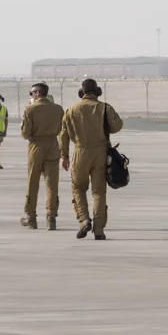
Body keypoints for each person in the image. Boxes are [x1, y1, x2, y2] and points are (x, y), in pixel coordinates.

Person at [60, 79, 123, 240]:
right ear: (97, 91)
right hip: (100, 152)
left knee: (78, 187)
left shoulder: (71, 110)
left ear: (82, 92)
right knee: (98, 192)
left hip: (80, 152)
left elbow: (64, 135)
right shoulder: (104, 108)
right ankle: (99, 229)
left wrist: (65, 156)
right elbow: (117, 126)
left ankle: (84, 219)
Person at [20, 83, 65, 230]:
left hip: (36, 146)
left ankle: (31, 216)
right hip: (53, 144)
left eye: (32, 93)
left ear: (38, 93)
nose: (31, 96)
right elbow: (60, 129)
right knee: (51, 183)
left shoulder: (30, 109)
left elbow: (25, 134)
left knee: (33, 181)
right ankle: (51, 216)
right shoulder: (58, 109)